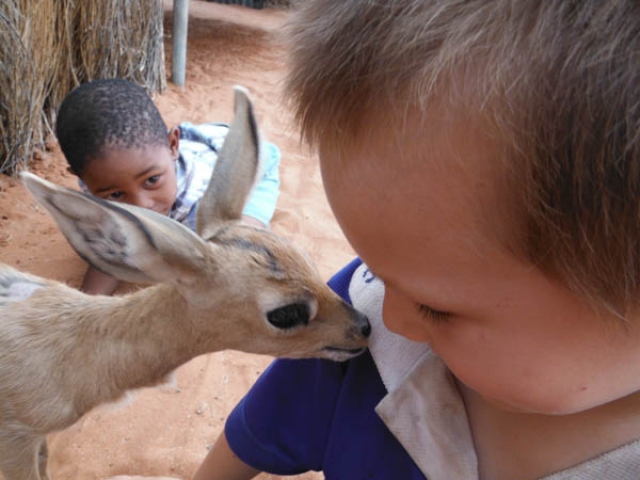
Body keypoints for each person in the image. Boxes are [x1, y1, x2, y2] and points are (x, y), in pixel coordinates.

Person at [109, 1, 640, 479]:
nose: (387, 320)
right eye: (372, 267)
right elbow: (259, 430)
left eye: (437, 308)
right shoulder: (369, 308)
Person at [55, 78, 281, 295]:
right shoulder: (101, 178)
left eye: (152, 180)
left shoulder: (198, 199)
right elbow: (110, 256)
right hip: (178, 152)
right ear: (82, 179)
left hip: (252, 164)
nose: (141, 205)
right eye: (116, 194)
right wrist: (88, 304)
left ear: (173, 145)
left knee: (237, 241)